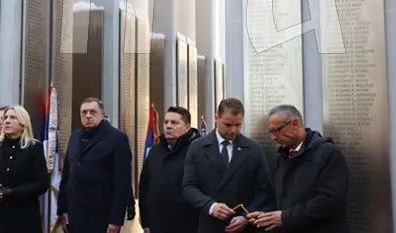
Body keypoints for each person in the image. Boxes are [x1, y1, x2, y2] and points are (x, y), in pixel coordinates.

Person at [247, 105, 349, 232]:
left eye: (276, 131)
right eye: (271, 132)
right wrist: (265, 215)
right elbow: (281, 199)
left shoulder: (328, 153)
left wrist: (286, 218)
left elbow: (329, 200)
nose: (273, 138)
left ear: (294, 124)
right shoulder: (282, 157)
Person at [182, 98, 273, 233]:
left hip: (245, 227)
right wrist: (211, 206)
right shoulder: (197, 148)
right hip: (210, 226)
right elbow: (188, 187)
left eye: (238, 125)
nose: (233, 130)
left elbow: (265, 191)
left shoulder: (254, 149)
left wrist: (246, 217)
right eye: (228, 125)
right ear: (216, 118)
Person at [57, 98, 133, 233]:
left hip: (101, 216)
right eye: (84, 112)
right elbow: (67, 175)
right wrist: (62, 209)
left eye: (92, 112)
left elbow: (122, 183)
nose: (88, 116)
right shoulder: (75, 136)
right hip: (74, 215)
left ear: (102, 115)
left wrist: (116, 219)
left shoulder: (117, 138)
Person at [0, 105, 49, 233]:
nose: (7, 121)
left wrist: (12, 192)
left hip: (23, 217)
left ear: (23, 124)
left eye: (12, 117)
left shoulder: (34, 147)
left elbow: (42, 184)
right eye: (5, 117)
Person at [138, 106, 201, 233]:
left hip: (188, 226)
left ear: (187, 127)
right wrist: (146, 223)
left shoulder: (198, 150)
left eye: (174, 123)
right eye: (166, 122)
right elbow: (144, 187)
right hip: (157, 226)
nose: (168, 126)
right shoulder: (155, 151)